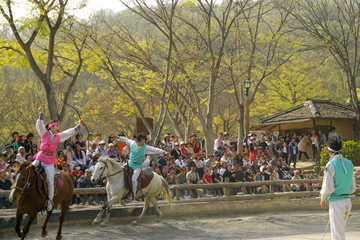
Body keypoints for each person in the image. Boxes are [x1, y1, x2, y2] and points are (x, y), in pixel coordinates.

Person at [32, 106, 83, 211]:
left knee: (50, 181)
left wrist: (78, 126)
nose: (58, 128)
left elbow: (68, 133)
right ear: (51, 127)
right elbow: (39, 124)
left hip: (50, 160)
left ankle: (50, 201)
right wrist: (41, 113)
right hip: (41, 157)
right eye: (57, 127)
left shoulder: (58, 137)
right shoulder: (44, 133)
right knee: (29, 169)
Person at [320, 137, 356, 240]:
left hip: (337, 203)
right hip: (347, 201)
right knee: (341, 230)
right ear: (341, 150)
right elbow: (352, 187)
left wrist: (323, 199)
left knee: (337, 234)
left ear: (329, 151)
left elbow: (327, 187)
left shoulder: (330, 165)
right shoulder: (349, 163)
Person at [118, 133, 166, 203]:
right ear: (138, 141)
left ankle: (133, 196)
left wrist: (163, 151)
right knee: (119, 172)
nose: (144, 142)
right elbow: (125, 140)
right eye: (143, 140)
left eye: (144, 140)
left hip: (138, 166)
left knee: (134, 179)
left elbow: (154, 149)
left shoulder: (145, 147)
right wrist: (118, 137)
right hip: (129, 163)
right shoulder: (132, 143)